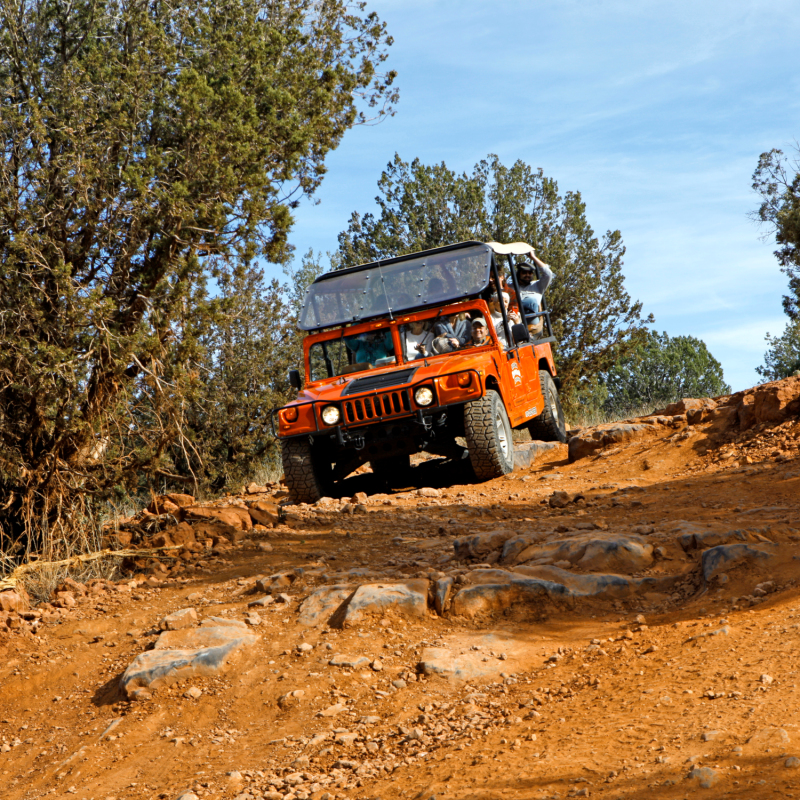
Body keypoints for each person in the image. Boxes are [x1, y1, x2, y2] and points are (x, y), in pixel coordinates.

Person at [516, 256, 554, 332]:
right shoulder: (511, 286)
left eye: (530, 273)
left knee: (531, 301)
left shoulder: (537, 285)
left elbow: (548, 274)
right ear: (518, 274)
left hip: (531, 322)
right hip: (515, 318)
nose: (527, 275)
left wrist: (533, 257)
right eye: (524, 273)